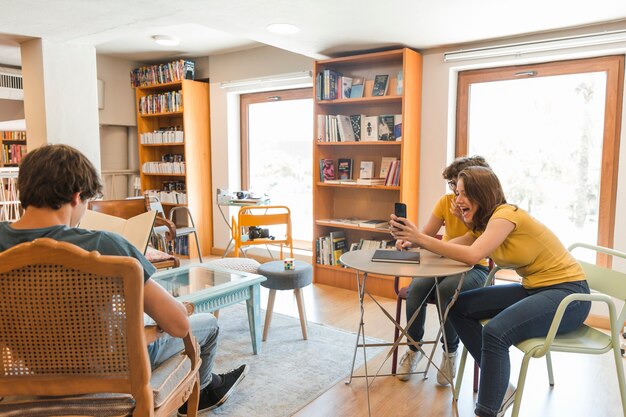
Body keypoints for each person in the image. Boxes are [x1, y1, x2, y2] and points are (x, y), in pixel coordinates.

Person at [0, 144, 247, 416]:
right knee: (207, 324)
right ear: (75, 197)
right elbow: (177, 325)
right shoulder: (103, 244)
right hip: (108, 366)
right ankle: (206, 393)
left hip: (31, 368)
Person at [390, 166, 590, 417]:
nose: (457, 199)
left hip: (569, 296)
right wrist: (413, 243)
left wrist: (421, 238)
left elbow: (473, 255)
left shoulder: (505, 216)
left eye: (463, 193)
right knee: (458, 306)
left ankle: (487, 410)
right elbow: (449, 246)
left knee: (496, 332)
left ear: (482, 194)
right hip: (534, 289)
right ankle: (501, 386)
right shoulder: (482, 226)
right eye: (456, 192)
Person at [394, 155, 491, 385]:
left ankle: (450, 353)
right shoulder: (445, 202)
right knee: (416, 289)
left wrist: (464, 222)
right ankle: (414, 348)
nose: (456, 194)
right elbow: (426, 235)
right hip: (443, 262)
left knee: (446, 292)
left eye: (460, 188)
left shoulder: (487, 208)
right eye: (453, 187)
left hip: (475, 267)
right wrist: (409, 240)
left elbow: (469, 243)